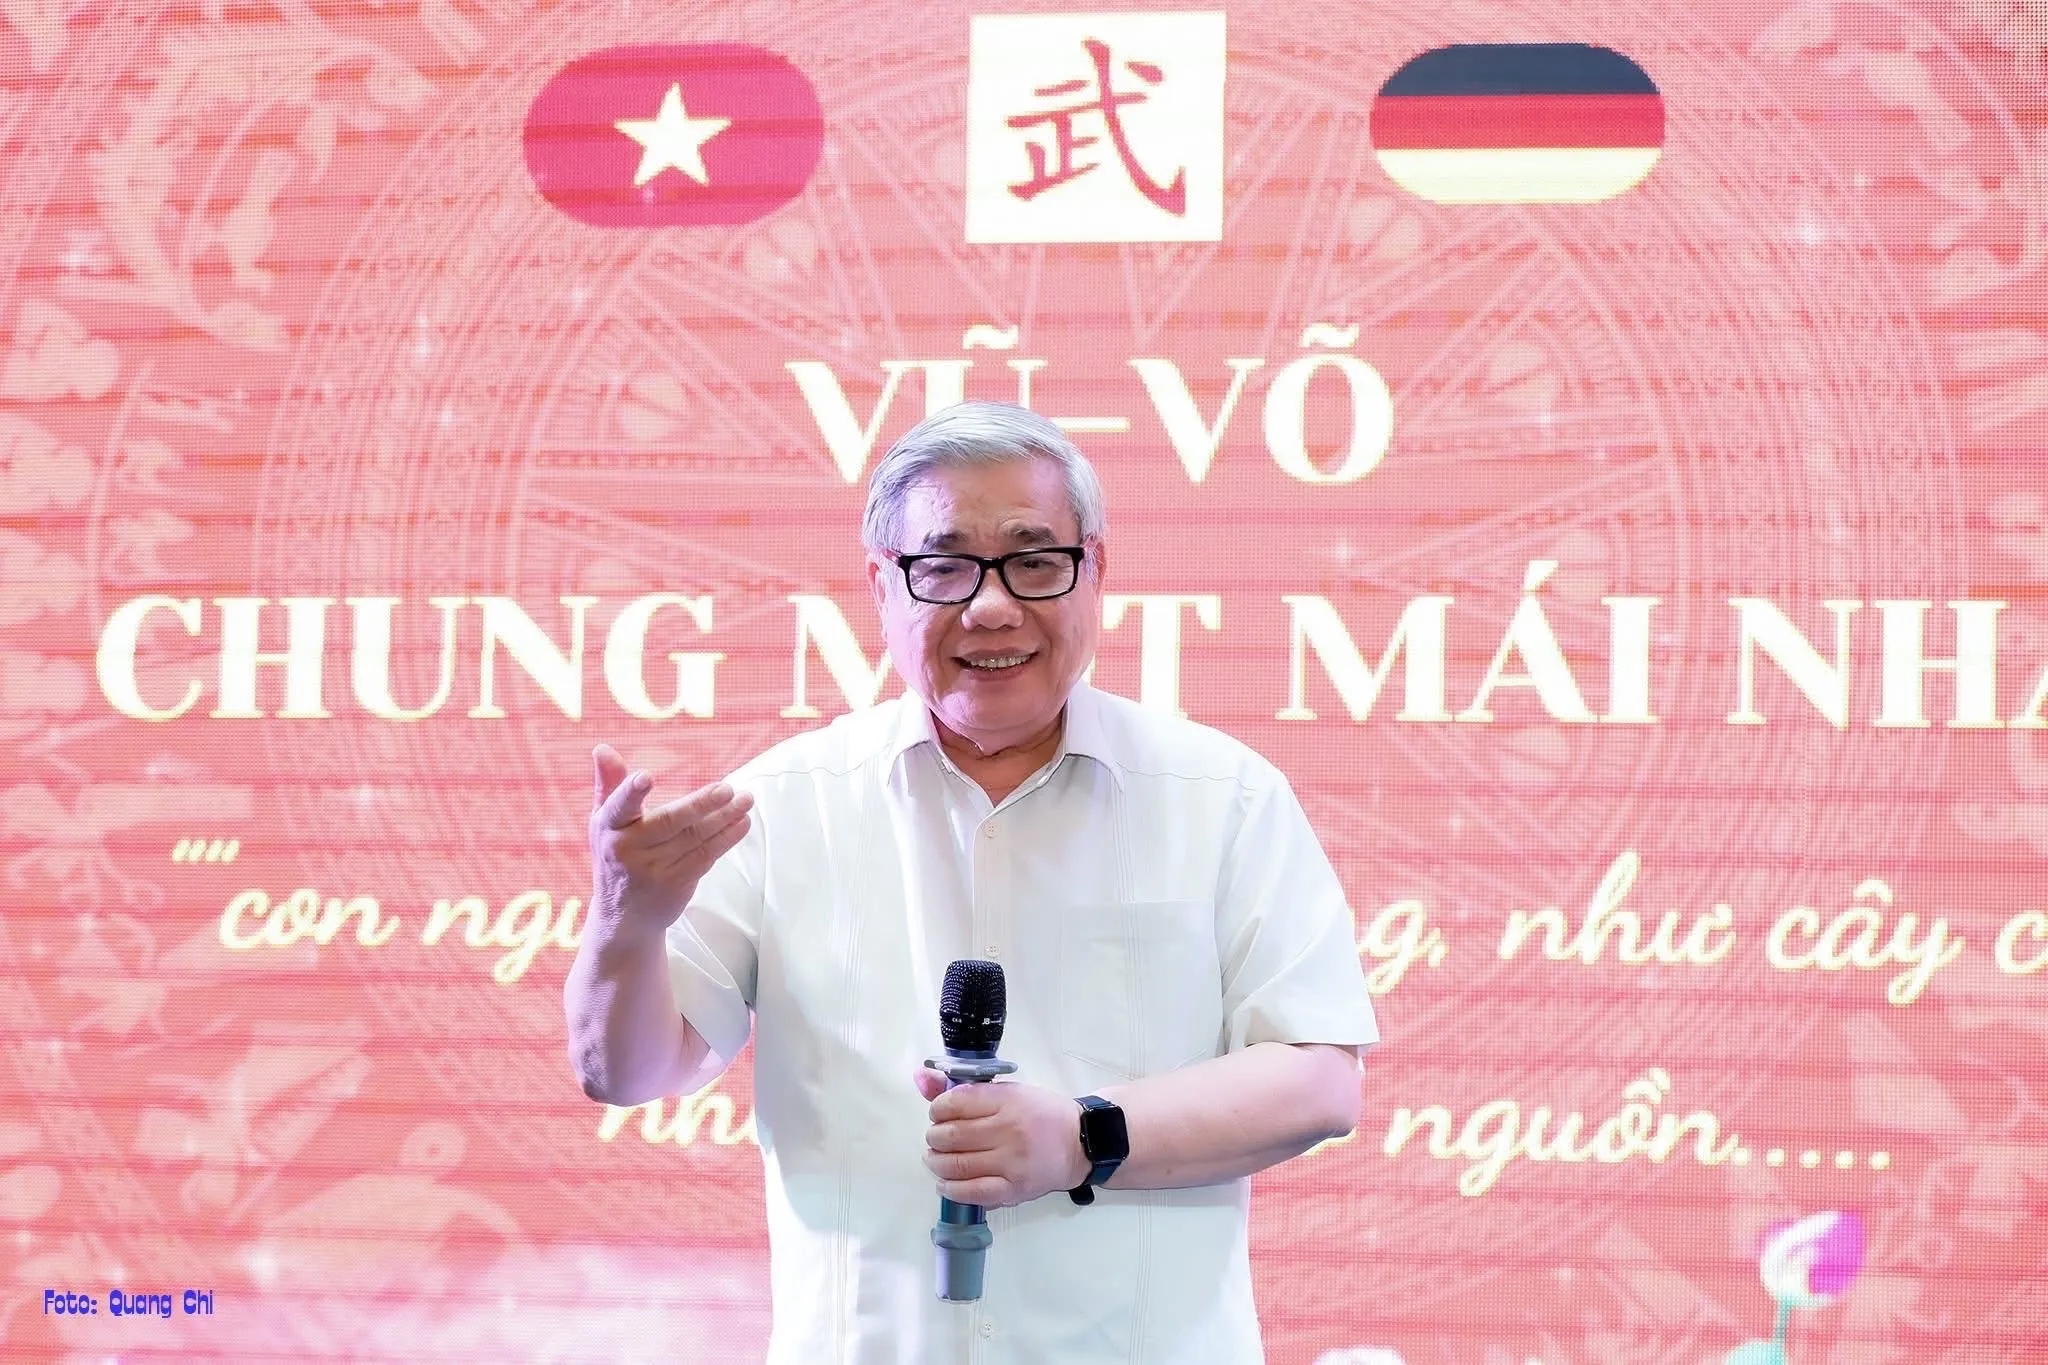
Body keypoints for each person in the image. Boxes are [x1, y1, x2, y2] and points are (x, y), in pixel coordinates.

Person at [564, 400, 1379, 1364]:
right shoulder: (781, 803)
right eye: (944, 567)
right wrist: (626, 923)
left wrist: (1083, 1136)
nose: (991, 607)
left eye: (1034, 561)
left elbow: (1319, 1077)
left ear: (1095, 570)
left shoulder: (1222, 795)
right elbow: (625, 1071)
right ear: (882, 586)